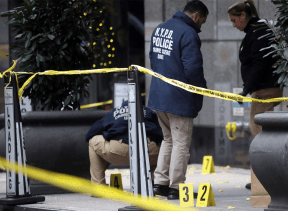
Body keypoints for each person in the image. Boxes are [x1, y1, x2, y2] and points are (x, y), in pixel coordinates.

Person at [148, 0, 208, 200]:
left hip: (159, 96)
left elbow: (153, 59)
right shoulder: (188, 33)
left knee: (168, 140)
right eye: (202, 23)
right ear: (196, 16)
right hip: (179, 99)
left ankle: (160, 184)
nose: (200, 27)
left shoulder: (160, 29)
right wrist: (200, 92)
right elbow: (193, 69)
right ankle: (176, 187)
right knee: (181, 143)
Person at [228, 0, 282, 189]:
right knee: (260, 133)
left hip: (264, 89)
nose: (234, 25)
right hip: (262, 88)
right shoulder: (256, 30)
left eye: (235, 20)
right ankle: (263, 179)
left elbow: (259, 64)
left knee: (258, 133)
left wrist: (245, 89)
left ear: (244, 16)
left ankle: (264, 181)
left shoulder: (257, 31)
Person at [85, 101, 163, 186]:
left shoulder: (114, 113)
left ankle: (98, 185)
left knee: (93, 141)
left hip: (118, 150)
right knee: (162, 147)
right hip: (146, 151)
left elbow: (91, 133)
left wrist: (108, 135)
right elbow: (161, 133)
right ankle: (155, 184)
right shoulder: (149, 112)